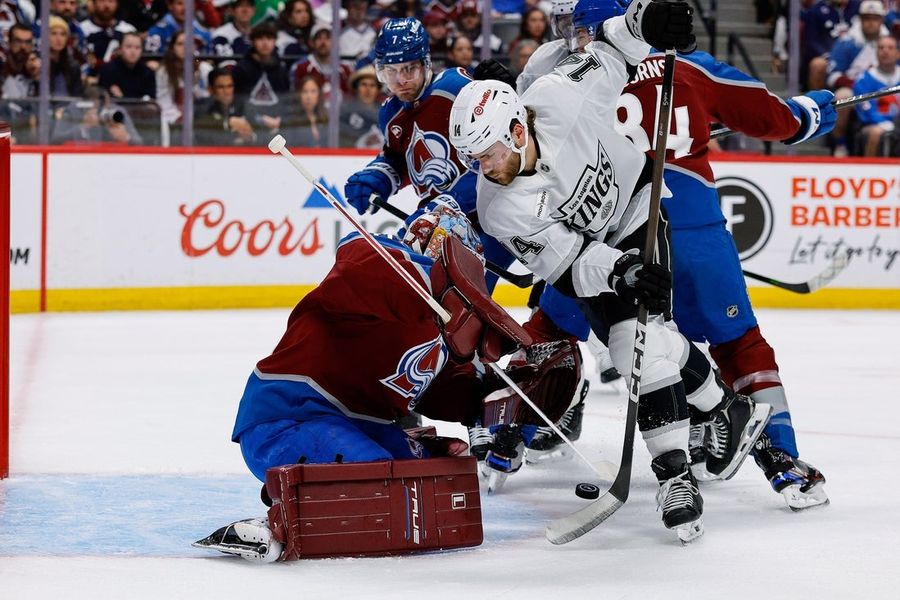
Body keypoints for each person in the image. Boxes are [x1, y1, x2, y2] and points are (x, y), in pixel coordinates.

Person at [448, 0, 773, 542]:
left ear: (517, 128)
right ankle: (724, 406)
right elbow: (571, 264)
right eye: (474, 158)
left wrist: (646, 20)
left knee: (635, 345)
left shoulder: (559, 94)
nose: (483, 169)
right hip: (592, 253)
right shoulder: (499, 205)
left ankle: (675, 476)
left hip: (636, 208)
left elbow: (613, 48)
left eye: (487, 153)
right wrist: (620, 271)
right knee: (650, 341)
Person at [197, 200, 577, 563]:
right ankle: (280, 521)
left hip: (365, 425)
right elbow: (356, 255)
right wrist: (428, 278)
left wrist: (501, 395)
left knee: (445, 472)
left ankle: (314, 494)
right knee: (378, 485)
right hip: (288, 417)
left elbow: (448, 396)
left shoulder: (447, 331)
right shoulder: (378, 270)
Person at [826, 0, 888, 155]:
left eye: (875, 18)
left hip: (885, 88)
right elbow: (833, 74)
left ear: (881, 20)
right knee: (842, 96)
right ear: (860, 19)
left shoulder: (889, 43)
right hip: (854, 89)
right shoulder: (848, 42)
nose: (871, 23)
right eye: (867, 18)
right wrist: (858, 84)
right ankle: (840, 144)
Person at [232, 21, 290, 136]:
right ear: (253, 41)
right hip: (248, 125)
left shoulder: (281, 69)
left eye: (269, 38)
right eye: (260, 38)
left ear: (275, 41)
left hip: (278, 127)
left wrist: (281, 119)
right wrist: (259, 119)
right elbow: (238, 101)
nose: (265, 43)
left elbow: (286, 100)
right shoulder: (242, 68)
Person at [852, 34, 899, 155]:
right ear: (876, 53)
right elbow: (866, 109)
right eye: (881, 48)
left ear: (898, 53)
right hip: (873, 124)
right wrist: (884, 123)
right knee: (876, 132)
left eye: (890, 48)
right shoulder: (864, 79)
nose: (885, 51)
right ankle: (871, 172)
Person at [155, 30, 213, 126]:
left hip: (203, 119)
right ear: (173, 48)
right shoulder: (164, 72)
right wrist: (180, 120)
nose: (185, 47)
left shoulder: (204, 68)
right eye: (180, 44)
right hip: (174, 122)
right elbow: (164, 103)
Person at [194, 67, 256, 145]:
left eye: (230, 86)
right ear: (210, 89)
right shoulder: (202, 107)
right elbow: (202, 130)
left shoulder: (242, 104)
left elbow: (258, 129)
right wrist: (227, 123)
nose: (227, 92)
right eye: (221, 87)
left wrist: (250, 136)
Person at [291, 22, 351, 101]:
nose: (323, 42)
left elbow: (350, 98)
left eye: (327, 38)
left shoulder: (345, 70)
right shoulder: (301, 68)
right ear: (311, 42)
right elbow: (296, 98)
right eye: (319, 38)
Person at [98, 31, 156, 99]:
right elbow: (102, 97)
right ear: (120, 49)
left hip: (141, 108)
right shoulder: (108, 70)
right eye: (128, 47)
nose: (133, 51)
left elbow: (151, 99)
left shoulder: (147, 72)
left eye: (137, 47)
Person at [339, 65, 385, 149]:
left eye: (372, 85)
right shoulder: (345, 111)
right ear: (356, 88)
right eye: (364, 84)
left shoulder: (384, 112)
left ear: (378, 90)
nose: (368, 89)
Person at [144, 0, 212, 55]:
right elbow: (151, 62)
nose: (185, 8)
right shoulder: (157, 31)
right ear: (170, 5)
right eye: (180, 3)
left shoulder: (204, 34)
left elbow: (209, 60)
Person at [281, 74, 327, 147]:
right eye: (305, 91)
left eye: (313, 91)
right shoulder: (291, 120)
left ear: (319, 94)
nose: (308, 96)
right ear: (299, 94)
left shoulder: (327, 120)